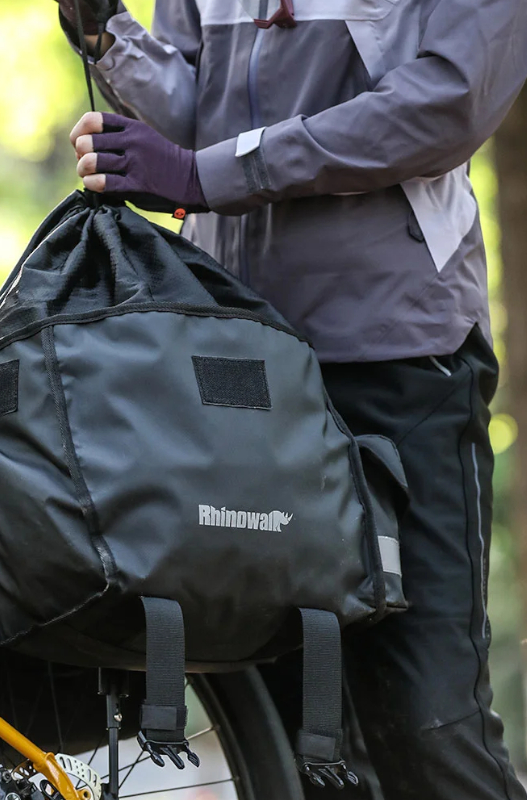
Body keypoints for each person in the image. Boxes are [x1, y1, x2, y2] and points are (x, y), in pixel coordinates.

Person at [55, 1, 527, 798]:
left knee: (427, 726)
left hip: (398, 356)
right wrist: (107, 33)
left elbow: (448, 103)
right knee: (287, 738)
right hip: (240, 364)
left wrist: (206, 175)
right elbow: (201, 120)